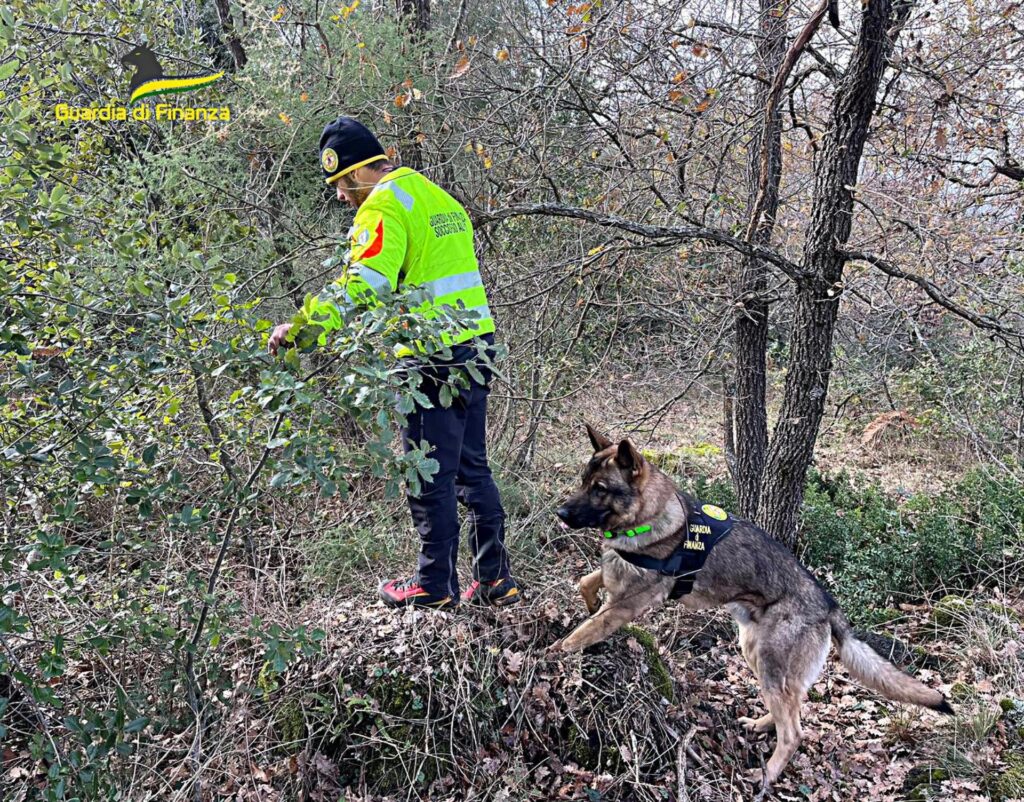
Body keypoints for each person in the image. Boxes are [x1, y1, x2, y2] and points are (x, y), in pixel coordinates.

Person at [268, 116, 520, 611]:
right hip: (478, 345)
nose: (341, 196)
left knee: (428, 473)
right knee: (473, 470)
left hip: (431, 359)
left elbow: (366, 285)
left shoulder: (382, 205)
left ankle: (433, 586)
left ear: (360, 172)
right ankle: (494, 579)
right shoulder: (434, 195)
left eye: (341, 184)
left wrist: (301, 327)